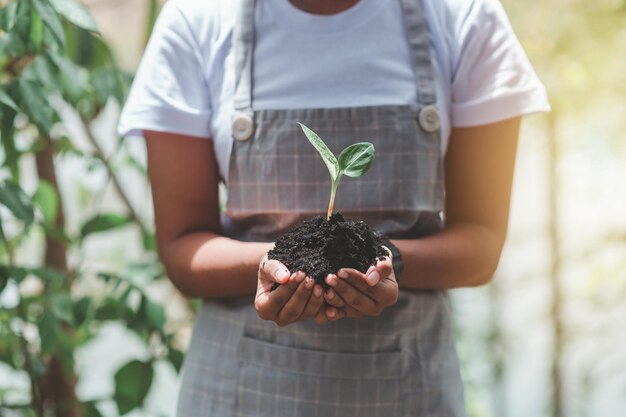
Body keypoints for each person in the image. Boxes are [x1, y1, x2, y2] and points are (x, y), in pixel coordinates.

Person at [118, 0, 549, 415]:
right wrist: (276, 264)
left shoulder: (464, 15)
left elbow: (481, 245)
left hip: (411, 391)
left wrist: (384, 262)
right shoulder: (198, 19)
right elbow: (182, 247)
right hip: (239, 395)